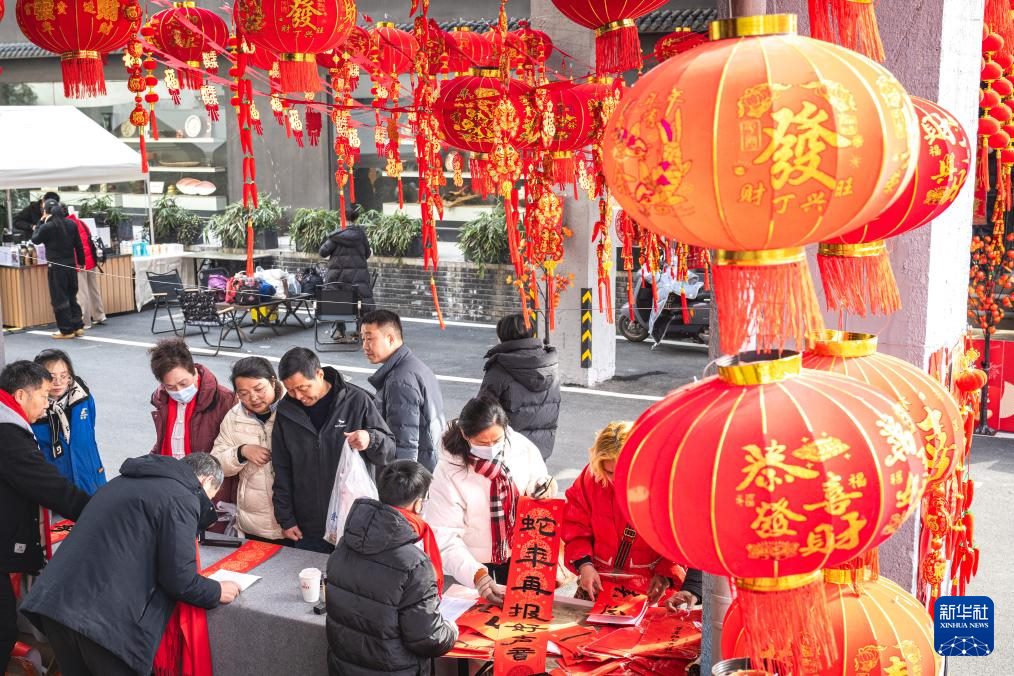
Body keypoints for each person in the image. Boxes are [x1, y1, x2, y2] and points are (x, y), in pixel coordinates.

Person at [20, 453, 241, 676]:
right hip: (103, 623)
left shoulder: (123, 481)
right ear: (206, 480)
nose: (207, 503)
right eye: (210, 496)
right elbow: (179, 579)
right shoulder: (183, 496)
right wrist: (217, 591)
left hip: (56, 604)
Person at [326, 460, 457, 675]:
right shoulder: (415, 564)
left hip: (343, 667)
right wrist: (451, 631)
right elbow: (427, 638)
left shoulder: (347, 541)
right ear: (418, 504)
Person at [0, 361, 91, 670]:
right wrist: (99, 510)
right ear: (21, 395)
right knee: (3, 628)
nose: (47, 404)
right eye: (43, 395)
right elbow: (47, 485)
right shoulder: (8, 434)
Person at [424, 396, 554, 603]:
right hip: (471, 559)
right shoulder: (448, 472)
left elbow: (536, 479)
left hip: (519, 550)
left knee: (521, 607)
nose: (491, 448)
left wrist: (542, 487)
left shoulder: (521, 448)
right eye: (482, 443)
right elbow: (444, 535)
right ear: (465, 434)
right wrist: (476, 575)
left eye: (496, 440)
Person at [562, 422, 702, 609]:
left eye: (625, 471)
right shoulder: (591, 480)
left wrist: (666, 575)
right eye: (610, 472)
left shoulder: (666, 486)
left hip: (649, 590)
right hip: (597, 584)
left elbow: (682, 541)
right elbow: (575, 528)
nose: (617, 479)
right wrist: (584, 565)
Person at [273, 347, 395, 553]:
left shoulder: (356, 400)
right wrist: (286, 519)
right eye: (291, 390)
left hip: (354, 520)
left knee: (355, 572)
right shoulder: (286, 412)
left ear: (319, 374)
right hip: (308, 525)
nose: (298, 396)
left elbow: (389, 450)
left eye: (303, 387)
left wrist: (370, 438)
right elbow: (281, 468)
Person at [148, 338, 236, 530]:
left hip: (210, 493)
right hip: (172, 490)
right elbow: (163, 442)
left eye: (183, 383)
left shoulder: (224, 399)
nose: (178, 391)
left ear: (194, 371)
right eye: (171, 387)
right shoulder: (162, 401)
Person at [211, 357, 285, 543]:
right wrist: (241, 452)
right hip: (254, 521)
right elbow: (216, 463)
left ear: (273, 381)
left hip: (294, 521)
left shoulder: (293, 407)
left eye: (259, 389)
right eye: (243, 393)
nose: (253, 398)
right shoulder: (234, 418)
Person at [362, 309, 445, 471]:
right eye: (363, 339)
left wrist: (401, 481)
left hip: (416, 474)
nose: (365, 346)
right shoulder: (413, 365)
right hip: (430, 462)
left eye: (370, 339)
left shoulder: (400, 381)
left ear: (390, 339)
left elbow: (404, 445)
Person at [479, 313, 561, 459]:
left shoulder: (500, 368)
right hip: (541, 450)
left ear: (502, 335)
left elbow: (480, 412)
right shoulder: (549, 363)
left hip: (509, 452)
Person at [31, 349, 107, 495]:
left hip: (91, 478)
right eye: (51, 377)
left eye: (63, 375)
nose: (58, 382)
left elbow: (90, 430)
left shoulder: (83, 399)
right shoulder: (35, 409)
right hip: (57, 486)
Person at [32, 199, 85, 339]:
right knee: (72, 296)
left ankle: (66, 330)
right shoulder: (71, 224)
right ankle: (77, 326)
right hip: (71, 266)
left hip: (56, 267)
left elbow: (35, 239)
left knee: (59, 299)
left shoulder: (47, 227)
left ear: (45, 211)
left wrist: (40, 222)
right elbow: (79, 245)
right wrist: (81, 262)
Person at [319, 204, 375, 311]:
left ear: (342, 219)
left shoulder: (335, 236)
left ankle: (340, 320)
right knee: (359, 305)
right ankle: (359, 320)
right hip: (358, 279)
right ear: (355, 219)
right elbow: (367, 254)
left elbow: (323, 252)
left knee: (336, 304)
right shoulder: (361, 235)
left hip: (337, 279)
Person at [68, 210, 106, 329]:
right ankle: (99, 315)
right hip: (91, 261)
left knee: (82, 293)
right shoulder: (81, 223)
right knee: (93, 289)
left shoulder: (67, 226)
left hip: (79, 262)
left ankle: (85, 321)